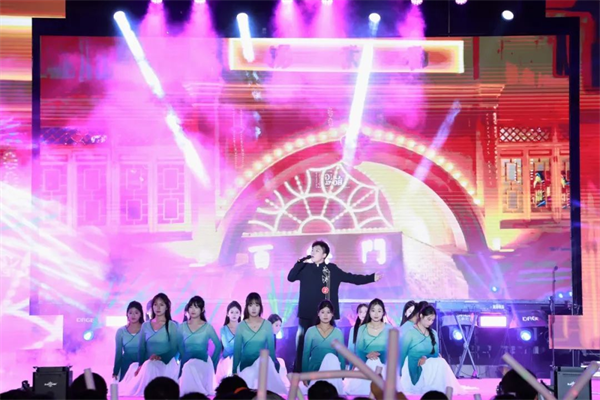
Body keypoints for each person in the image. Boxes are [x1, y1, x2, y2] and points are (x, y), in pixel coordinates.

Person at [288, 240, 382, 372]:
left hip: (325, 316)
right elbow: (291, 277)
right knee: (303, 345)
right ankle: (299, 372)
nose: (313, 252)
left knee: (329, 345)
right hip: (306, 314)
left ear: (324, 255)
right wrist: (299, 263)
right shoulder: (304, 268)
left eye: (317, 250)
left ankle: (332, 371)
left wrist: (371, 278)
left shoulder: (331, 270)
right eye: (312, 250)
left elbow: (351, 278)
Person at [120, 293, 179, 396]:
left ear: (166, 307)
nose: (158, 308)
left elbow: (174, 348)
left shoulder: (172, 325)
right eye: (155, 304)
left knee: (150, 365)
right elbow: (141, 348)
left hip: (167, 362)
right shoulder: (145, 325)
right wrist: (141, 365)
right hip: (149, 361)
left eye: (161, 305)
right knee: (134, 367)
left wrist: (160, 357)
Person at [399, 305, 463, 395]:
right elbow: (403, 353)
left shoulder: (433, 333)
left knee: (441, 361)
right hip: (413, 362)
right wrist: (399, 373)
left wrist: (425, 357)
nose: (430, 322)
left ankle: (440, 389)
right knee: (437, 363)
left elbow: (435, 353)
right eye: (428, 319)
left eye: (432, 320)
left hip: (428, 361)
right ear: (421, 316)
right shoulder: (410, 333)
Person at [233, 293, 286, 394]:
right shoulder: (241, 326)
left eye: (256, 305)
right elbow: (237, 350)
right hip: (246, 365)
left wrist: (275, 367)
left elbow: (271, 350)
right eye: (250, 305)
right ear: (247, 307)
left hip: (263, 364)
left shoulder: (267, 325)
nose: (253, 308)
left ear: (260, 307)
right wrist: (234, 371)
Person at [345, 298, 394, 395]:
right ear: (369, 312)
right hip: (366, 364)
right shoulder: (362, 328)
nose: (376, 314)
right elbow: (359, 349)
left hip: (384, 364)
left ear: (383, 313)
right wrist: (367, 355)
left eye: (379, 311)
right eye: (373, 310)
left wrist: (379, 355)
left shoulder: (389, 328)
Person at [178, 296, 222, 396]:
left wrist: (212, 362)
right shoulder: (182, 327)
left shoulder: (207, 327)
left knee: (189, 366)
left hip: (203, 361)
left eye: (196, 307)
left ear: (202, 310)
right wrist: (183, 358)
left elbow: (218, 345)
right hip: (187, 360)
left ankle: (197, 394)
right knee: (188, 366)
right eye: (191, 307)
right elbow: (179, 345)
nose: (193, 310)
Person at [301, 300, 345, 394]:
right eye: (322, 312)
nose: (325, 315)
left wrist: (342, 375)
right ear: (318, 313)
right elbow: (305, 354)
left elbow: (342, 356)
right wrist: (304, 374)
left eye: (328, 312)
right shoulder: (311, 331)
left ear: (332, 314)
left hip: (332, 370)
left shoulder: (338, 333)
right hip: (315, 370)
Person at [113, 301, 144, 381]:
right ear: (127, 314)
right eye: (130, 313)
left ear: (141, 314)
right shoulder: (121, 331)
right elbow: (118, 353)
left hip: (142, 364)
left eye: (136, 313)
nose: (133, 315)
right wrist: (115, 371)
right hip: (126, 364)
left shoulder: (146, 329)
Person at [216, 301, 242, 382]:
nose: (234, 315)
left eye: (237, 312)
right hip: (228, 359)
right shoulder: (223, 330)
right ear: (227, 314)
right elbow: (227, 347)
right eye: (232, 312)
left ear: (240, 314)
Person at [268, 314, 290, 389]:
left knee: (279, 362)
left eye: (280, 326)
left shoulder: (273, 335)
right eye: (276, 325)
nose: (278, 328)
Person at [347, 303, 368, 370]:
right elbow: (351, 349)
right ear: (358, 314)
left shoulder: (373, 328)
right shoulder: (353, 329)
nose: (363, 314)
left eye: (365, 312)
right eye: (360, 312)